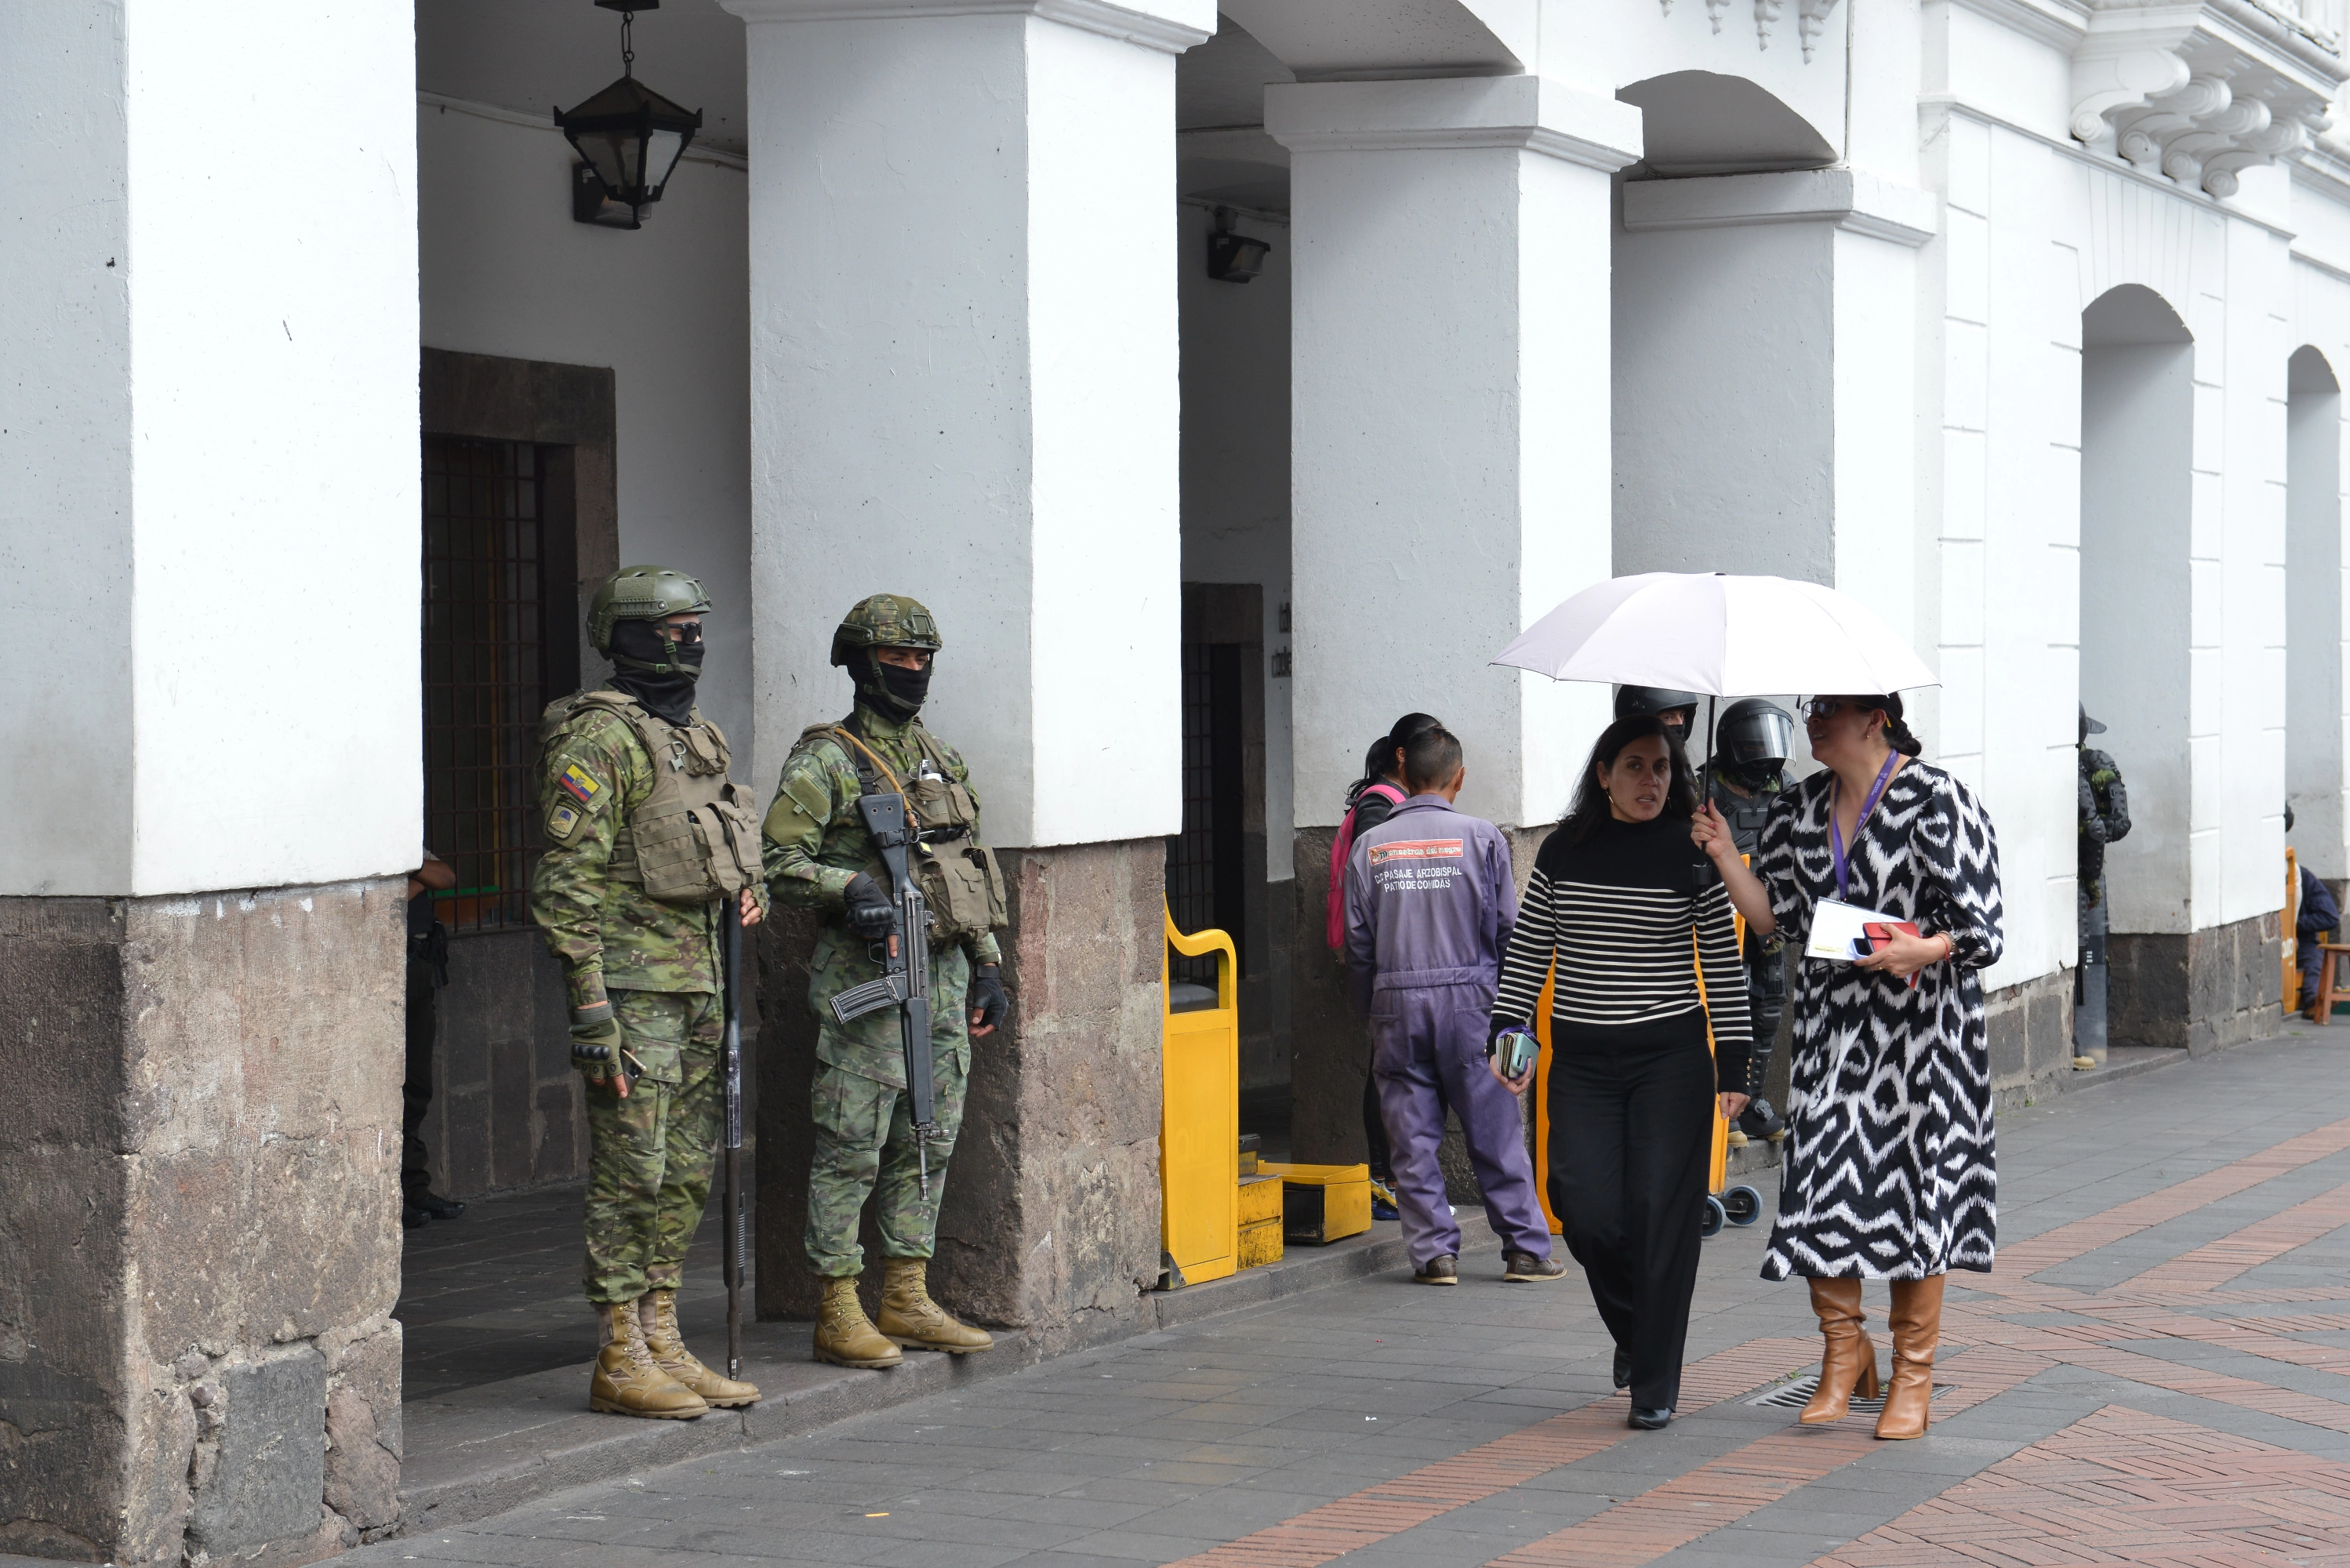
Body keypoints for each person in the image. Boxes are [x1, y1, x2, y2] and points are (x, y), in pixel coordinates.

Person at [1694, 692, 2002, 1442]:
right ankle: (1842, 1352)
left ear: (1876, 718)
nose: (1813, 720)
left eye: (1830, 708)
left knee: (1913, 1193)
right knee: (1821, 1186)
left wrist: (1920, 948)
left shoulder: (1938, 799)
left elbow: (1983, 926)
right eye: (1811, 707)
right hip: (1834, 1032)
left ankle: (1913, 1376)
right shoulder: (1798, 807)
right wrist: (1721, 854)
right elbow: (1772, 919)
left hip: (1924, 1035)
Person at [531, 565, 768, 1420]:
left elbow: (728, 849)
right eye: (673, 631)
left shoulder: (695, 738)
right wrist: (591, 1006)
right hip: (635, 992)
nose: (690, 643)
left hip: (703, 984)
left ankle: (663, 1331)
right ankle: (619, 1350)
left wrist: (752, 888)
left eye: (696, 627)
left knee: (683, 1173)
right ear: (626, 637)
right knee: (632, 1173)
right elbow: (566, 886)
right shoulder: (599, 741)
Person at [763, 593, 1010, 1370]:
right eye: (897, 658)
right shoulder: (826, 759)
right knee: (851, 1145)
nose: (911, 672)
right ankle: (838, 1305)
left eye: (922, 659)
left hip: (940, 974)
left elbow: (967, 867)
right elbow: (778, 862)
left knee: (926, 1137)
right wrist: (848, 889)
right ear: (860, 662)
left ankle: (906, 1289)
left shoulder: (942, 759)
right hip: (869, 976)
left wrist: (988, 966)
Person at [1492, 714, 1753, 1431]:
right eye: (1634, 766)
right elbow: (1528, 950)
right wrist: (1507, 1031)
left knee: (1657, 1216)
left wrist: (1736, 1063)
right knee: (1585, 1207)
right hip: (1579, 1061)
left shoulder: (1690, 852)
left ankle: (1653, 1383)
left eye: (1663, 768)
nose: (1651, 780)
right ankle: (1638, 1336)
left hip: (1670, 1062)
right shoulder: (1563, 851)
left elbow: (1723, 970)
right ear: (1603, 774)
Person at [1344, 726, 1562, 1287]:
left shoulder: (1371, 845)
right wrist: (1513, 1013)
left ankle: (1434, 1256)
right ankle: (1524, 1251)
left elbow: (1357, 941)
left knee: (1411, 1138)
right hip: (1473, 1001)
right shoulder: (1483, 838)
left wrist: (1371, 1007)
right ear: (1458, 777)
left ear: (1401, 773)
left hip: (1395, 1002)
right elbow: (1509, 930)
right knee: (1494, 1129)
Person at [1327, 711, 1444, 1210]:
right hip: (1386, 953)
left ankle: (1395, 1178)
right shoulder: (1380, 807)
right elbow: (1377, 879)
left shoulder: (1392, 802)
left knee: (1395, 1064)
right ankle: (1383, 1178)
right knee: (1389, 1066)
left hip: (1393, 953)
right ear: (1403, 757)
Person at [1706, 699, 1796, 1145]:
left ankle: (1756, 1097)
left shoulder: (1787, 787)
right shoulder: (1705, 786)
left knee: (1770, 1002)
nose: (1764, 753)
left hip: (1771, 911)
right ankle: (1728, 1094)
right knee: (1732, 1001)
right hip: (1723, 913)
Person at [401, 851, 464, 1229]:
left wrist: (411, 870)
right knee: (390, 1092)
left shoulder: (405, 842)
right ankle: (393, 1194)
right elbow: (392, 898)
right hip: (387, 971)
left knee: (417, 1087)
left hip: (419, 970)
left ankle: (413, 1187)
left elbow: (445, 877)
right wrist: (415, 879)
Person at [2076, 708, 2130, 1062]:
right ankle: (2085, 1041)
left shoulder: (2087, 766)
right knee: (2085, 954)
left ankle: (2089, 1039)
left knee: (2090, 955)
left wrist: (2092, 883)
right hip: (2083, 872)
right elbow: (2111, 826)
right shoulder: (2094, 762)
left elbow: (2108, 826)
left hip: (2082, 873)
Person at [1614, 686, 1701, 756]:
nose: (1680, 723)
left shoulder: (1681, 765)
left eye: (1681, 716)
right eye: (1668, 718)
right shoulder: (1627, 769)